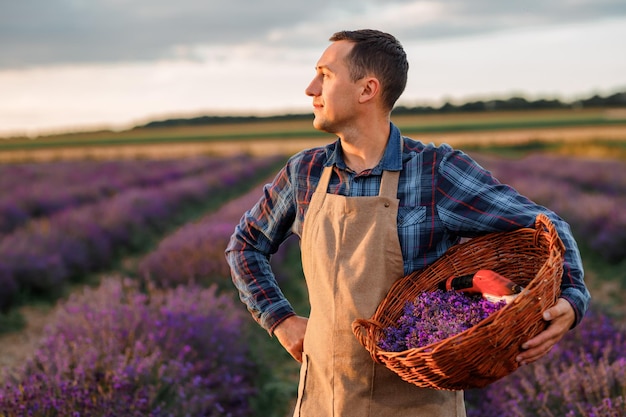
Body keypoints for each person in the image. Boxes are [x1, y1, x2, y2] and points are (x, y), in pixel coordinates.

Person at [225, 29, 590, 417]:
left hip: (416, 404)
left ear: (367, 89)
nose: (310, 88)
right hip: (323, 400)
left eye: (325, 75)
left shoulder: (435, 172)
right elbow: (245, 245)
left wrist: (571, 297)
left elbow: (544, 225)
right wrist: (279, 319)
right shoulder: (306, 172)